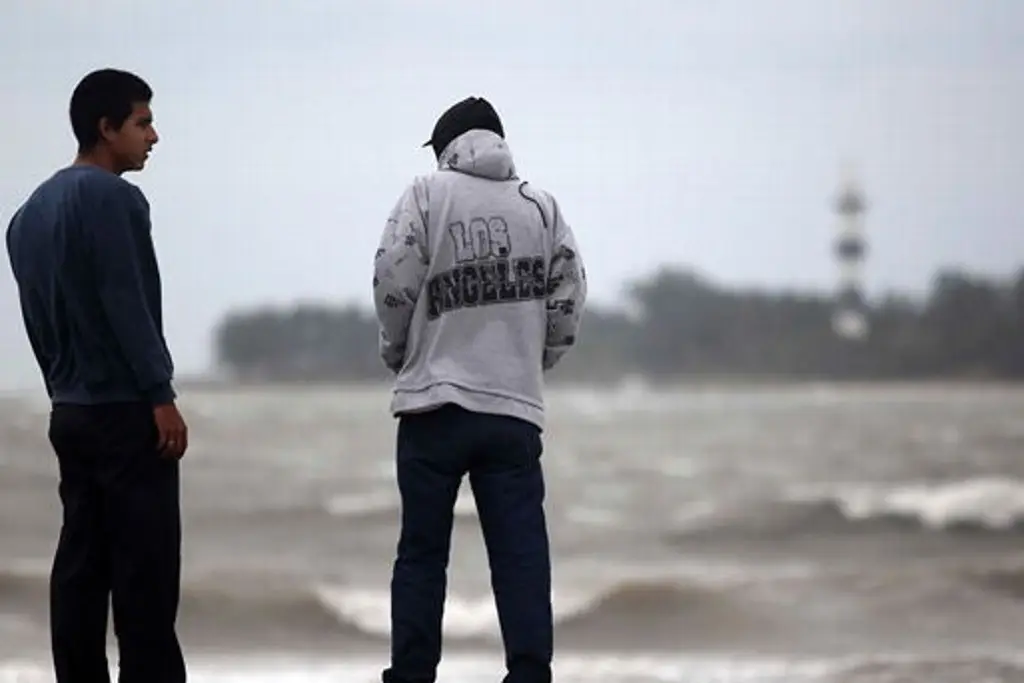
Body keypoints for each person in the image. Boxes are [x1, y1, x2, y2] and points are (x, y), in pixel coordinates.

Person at [372, 96, 587, 683]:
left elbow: (394, 278)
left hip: (433, 405)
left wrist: (399, 352)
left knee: (422, 553)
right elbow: (568, 299)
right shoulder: (541, 207)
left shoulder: (425, 194)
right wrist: (533, 359)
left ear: (445, 149)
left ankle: (413, 674)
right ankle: (528, 671)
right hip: (511, 410)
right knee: (520, 554)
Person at [5, 68, 188, 683]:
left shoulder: (26, 216)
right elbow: (126, 302)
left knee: (81, 567)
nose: (154, 136)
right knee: (146, 580)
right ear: (105, 129)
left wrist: (63, 386)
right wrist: (159, 394)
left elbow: (37, 319)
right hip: (124, 411)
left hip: (71, 409)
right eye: (142, 123)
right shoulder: (114, 198)